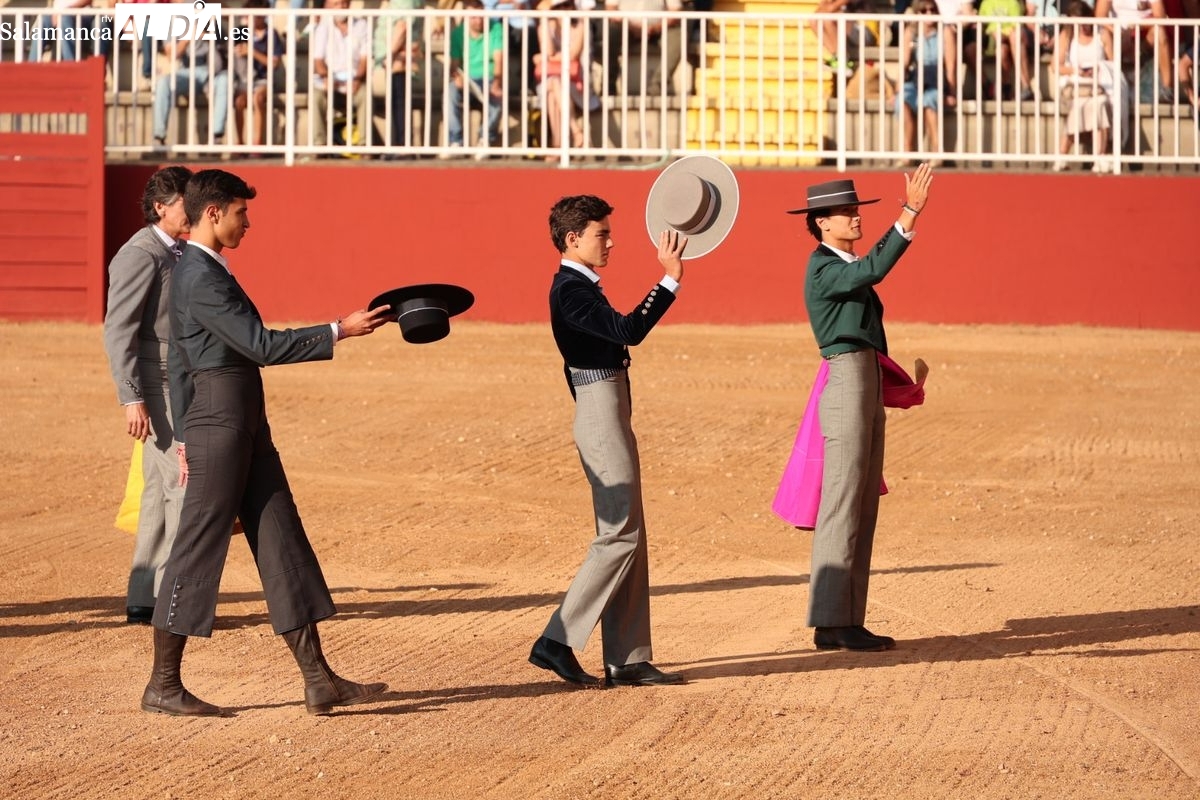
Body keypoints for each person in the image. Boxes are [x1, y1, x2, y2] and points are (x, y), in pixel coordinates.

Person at [142, 169, 392, 717]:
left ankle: (319, 679)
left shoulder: (205, 270)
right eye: (240, 212)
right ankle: (162, 684)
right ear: (213, 213)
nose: (247, 222)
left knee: (280, 535)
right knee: (197, 546)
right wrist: (337, 330)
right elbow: (258, 345)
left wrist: (185, 432)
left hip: (239, 419)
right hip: (221, 421)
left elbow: (181, 365)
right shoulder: (200, 276)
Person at [528, 194, 688, 688]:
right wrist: (669, 280)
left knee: (630, 532)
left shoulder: (579, 286)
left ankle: (627, 657)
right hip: (601, 410)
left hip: (607, 404)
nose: (611, 242)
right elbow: (628, 330)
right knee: (619, 531)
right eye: (602, 234)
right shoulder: (570, 290)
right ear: (573, 238)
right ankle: (557, 639)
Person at [786, 164, 933, 652]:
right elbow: (872, 268)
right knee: (843, 500)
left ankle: (847, 618)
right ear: (821, 223)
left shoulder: (837, 267)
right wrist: (908, 213)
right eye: (844, 213)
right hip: (847, 377)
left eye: (854, 211)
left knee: (861, 501)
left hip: (863, 374)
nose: (854, 218)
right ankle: (830, 621)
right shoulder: (823, 268)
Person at [102, 165, 193, 626]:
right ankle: (176, 600)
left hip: (173, 375)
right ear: (161, 206)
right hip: (158, 380)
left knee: (160, 487)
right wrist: (131, 396)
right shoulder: (140, 254)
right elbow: (118, 329)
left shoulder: (178, 251)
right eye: (184, 202)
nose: (192, 210)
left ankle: (147, 597)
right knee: (182, 480)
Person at [1053, 0, 1114, 172]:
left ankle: (1098, 156)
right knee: (1082, 104)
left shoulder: (1102, 34)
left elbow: (1113, 63)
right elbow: (1055, 66)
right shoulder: (1067, 35)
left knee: (1099, 103)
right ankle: (1065, 154)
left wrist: (1099, 68)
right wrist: (1076, 70)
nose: (1082, 27)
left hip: (1098, 85)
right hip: (1075, 86)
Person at [896, 0, 958, 165]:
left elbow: (951, 66)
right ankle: (907, 152)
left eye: (932, 10)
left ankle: (937, 152)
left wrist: (952, 92)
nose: (929, 14)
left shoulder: (945, 32)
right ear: (918, 14)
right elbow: (903, 64)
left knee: (929, 101)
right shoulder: (911, 33)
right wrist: (897, 88)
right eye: (924, 11)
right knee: (903, 100)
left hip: (936, 79)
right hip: (917, 78)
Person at [444, 0, 507, 158]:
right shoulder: (458, 33)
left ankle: (485, 139)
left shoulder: (496, 28)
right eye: (473, 17)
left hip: (489, 77)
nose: (478, 20)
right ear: (466, 16)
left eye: (480, 16)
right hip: (467, 79)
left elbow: (499, 59)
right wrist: (457, 76)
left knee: (498, 94)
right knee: (450, 91)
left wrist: (497, 83)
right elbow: (455, 64)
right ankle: (456, 141)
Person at [534, 0, 597, 157]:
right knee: (554, 85)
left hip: (577, 81)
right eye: (559, 6)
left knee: (554, 87)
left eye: (567, 5)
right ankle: (573, 132)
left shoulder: (581, 26)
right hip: (555, 82)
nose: (564, 9)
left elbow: (572, 55)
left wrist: (546, 58)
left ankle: (558, 145)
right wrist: (544, 19)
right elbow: (548, 52)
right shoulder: (546, 27)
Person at [310, 0, 372, 151]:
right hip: (330, 81)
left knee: (365, 95)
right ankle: (320, 145)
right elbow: (318, 61)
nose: (341, 7)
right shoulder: (323, 27)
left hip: (353, 81)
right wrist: (326, 77)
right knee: (315, 95)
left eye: (343, 3)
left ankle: (364, 145)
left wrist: (357, 79)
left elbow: (365, 58)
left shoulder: (362, 25)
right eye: (336, 4)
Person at [152, 30, 229, 147]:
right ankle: (159, 137)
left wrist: (209, 37)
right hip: (186, 72)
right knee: (163, 83)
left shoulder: (214, 23)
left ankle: (216, 137)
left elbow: (225, 53)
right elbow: (172, 56)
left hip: (211, 72)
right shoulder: (173, 24)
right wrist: (190, 36)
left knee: (224, 80)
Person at [1094, 0, 1175, 104]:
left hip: (1143, 32)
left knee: (1159, 32)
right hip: (1119, 33)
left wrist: (1136, 26)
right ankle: (1114, 81)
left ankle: (1167, 90)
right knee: (1105, 34)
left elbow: (1160, 16)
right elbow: (1100, 16)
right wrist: (1117, 30)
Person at [372, 0, 425, 155]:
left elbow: (402, 27)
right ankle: (396, 145)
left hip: (398, 61)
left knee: (399, 104)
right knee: (395, 104)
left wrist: (390, 54)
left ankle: (402, 146)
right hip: (394, 60)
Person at [232, 0, 283, 152]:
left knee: (258, 98)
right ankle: (240, 142)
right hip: (244, 79)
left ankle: (257, 143)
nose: (254, 19)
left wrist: (252, 52)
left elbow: (274, 63)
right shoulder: (241, 30)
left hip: (264, 80)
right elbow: (235, 55)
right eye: (251, 16)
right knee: (239, 101)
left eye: (258, 16)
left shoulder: (271, 34)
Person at [605, 0, 685, 95]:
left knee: (679, 35)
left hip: (658, 29)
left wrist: (655, 28)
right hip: (625, 27)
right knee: (611, 33)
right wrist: (632, 27)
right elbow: (610, 9)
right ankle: (608, 85)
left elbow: (675, 10)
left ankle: (657, 86)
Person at [978, 0, 1036, 100]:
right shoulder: (985, 3)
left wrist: (1003, 34)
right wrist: (992, 33)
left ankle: (1026, 87)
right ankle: (1006, 87)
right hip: (996, 43)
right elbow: (980, 25)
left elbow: (1016, 26)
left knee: (1015, 36)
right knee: (1001, 51)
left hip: (1012, 38)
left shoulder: (1013, 3)